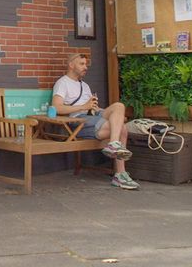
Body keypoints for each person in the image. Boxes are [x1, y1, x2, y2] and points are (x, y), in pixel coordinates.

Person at [52, 53, 140, 190]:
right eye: (81, 64)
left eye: (86, 64)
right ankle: (120, 175)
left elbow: (93, 108)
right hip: (77, 121)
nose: (85, 67)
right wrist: (84, 106)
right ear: (71, 65)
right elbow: (56, 107)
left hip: (92, 115)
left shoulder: (85, 85)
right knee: (121, 129)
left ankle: (113, 144)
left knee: (119, 106)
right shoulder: (62, 83)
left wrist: (112, 115)